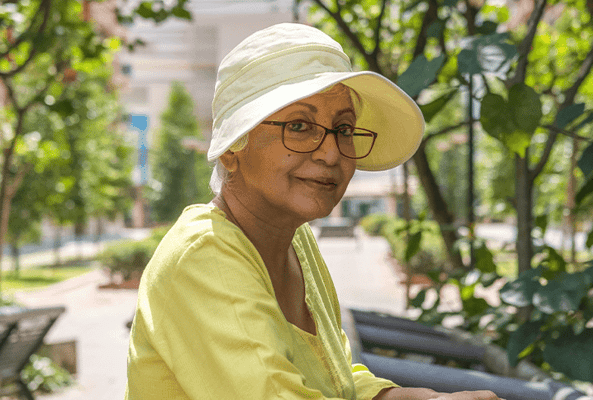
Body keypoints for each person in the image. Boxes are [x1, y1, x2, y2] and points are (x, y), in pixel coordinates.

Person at [125, 23, 504, 400]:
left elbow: (333, 374)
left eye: (343, 129)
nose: (330, 152)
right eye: (300, 125)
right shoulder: (203, 257)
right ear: (230, 148)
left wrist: (414, 398)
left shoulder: (295, 240)